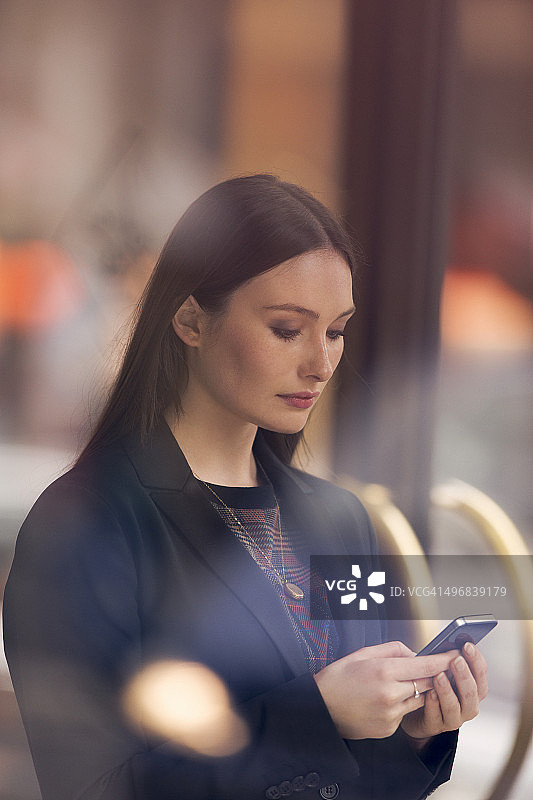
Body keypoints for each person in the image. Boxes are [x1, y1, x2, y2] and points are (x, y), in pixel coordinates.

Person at [3, 174, 488, 800]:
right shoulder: (84, 525)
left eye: (336, 331)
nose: (320, 362)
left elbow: (369, 782)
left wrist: (418, 734)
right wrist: (313, 716)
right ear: (190, 321)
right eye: (288, 329)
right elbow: (92, 787)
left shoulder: (342, 520)